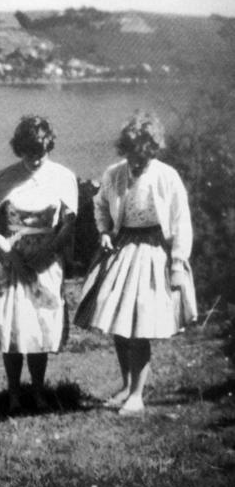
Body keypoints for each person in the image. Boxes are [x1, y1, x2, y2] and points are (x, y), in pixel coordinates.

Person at [74, 111, 197, 415]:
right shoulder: (115, 173)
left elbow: (182, 221)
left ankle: (137, 395)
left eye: (143, 154)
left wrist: (179, 262)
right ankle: (127, 386)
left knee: (140, 324)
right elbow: (100, 204)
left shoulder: (166, 176)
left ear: (152, 150)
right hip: (122, 247)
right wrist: (103, 232)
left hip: (154, 250)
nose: (137, 160)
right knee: (118, 322)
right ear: (124, 149)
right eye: (131, 153)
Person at [0, 115, 77, 414]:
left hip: (45, 259)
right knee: (13, 329)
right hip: (10, 261)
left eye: (40, 153)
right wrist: (10, 253)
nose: (35, 160)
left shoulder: (63, 177)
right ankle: (15, 393)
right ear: (20, 150)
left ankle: (40, 392)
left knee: (40, 327)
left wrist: (49, 251)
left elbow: (70, 222)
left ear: (48, 148)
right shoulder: (4, 178)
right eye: (29, 153)